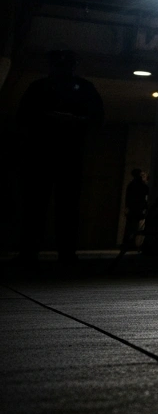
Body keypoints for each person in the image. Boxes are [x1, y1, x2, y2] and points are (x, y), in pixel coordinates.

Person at [16, 49, 104, 265]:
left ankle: (53, 252)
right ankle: (52, 252)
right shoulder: (75, 88)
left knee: (56, 204)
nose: (63, 68)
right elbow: (23, 116)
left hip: (58, 152)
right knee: (44, 204)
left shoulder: (45, 87)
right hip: (50, 152)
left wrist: (72, 120)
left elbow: (97, 117)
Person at [121, 169, 149, 251]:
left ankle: (128, 243)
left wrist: (127, 207)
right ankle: (131, 244)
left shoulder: (131, 185)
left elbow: (128, 197)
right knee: (135, 227)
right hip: (138, 209)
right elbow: (145, 197)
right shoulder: (142, 186)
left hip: (132, 209)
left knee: (130, 226)